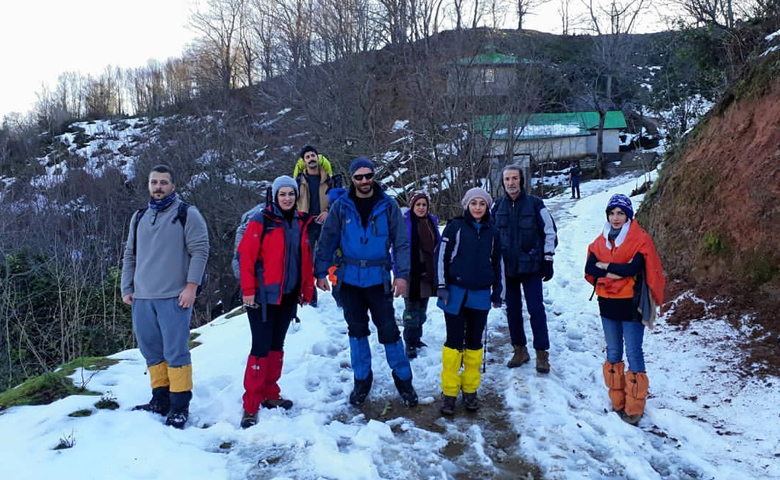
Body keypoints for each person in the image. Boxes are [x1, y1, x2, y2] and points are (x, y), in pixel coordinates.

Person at [314, 157, 418, 407]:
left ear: (374, 175)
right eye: (359, 177)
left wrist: (402, 275)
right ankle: (362, 381)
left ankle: (404, 381)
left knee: (390, 332)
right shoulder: (342, 206)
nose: (364, 181)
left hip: (378, 279)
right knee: (357, 331)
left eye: (368, 175)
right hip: (349, 280)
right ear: (352, 178)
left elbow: (401, 243)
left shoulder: (388, 205)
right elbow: (327, 239)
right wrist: (319, 273)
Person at [122, 164, 209, 429]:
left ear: (173, 186)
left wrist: (191, 287)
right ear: (148, 185)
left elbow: (200, 251)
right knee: (151, 351)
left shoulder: (187, 213)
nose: (158, 187)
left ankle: (180, 405)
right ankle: (160, 399)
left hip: (174, 296)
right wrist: (127, 288)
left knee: (176, 352)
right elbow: (130, 255)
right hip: (143, 298)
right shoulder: (138, 217)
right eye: (154, 182)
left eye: (163, 182)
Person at [236, 176, 315, 428]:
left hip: (288, 295)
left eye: (291, 194)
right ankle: (251, 405)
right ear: (274, 196)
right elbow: (245, 257)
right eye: (282, 194)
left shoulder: (300, 222)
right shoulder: (262, 220)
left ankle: (271, 394)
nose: (287, 199)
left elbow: (305, 259)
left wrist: (306, 289)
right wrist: (248, 290)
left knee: (276, 346)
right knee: (260, 348)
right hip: (262, 297)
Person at [585, 194, 665, 425]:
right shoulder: (600, 241)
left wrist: (606, 267)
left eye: (620, 213)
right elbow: (590, 266)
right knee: (612, 352)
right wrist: (614, 270)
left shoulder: (639, 239)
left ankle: (635, 407)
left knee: (633, 353)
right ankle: (618, 401)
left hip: (631, 304)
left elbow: (633, 268)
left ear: (628, 215)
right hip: (607, 304)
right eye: (612, 213)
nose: (616, 218)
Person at [436, 188, 502, 415]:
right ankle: (450, 391)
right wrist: (442, 286)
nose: (477, 207)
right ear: (466, 205)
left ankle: (471, 388)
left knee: (474, 343)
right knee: (454, 343)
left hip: (480, 294)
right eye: (473, 203)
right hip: (454, 294)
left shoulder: (493, 232)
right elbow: (441, 258)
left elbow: (497, 263)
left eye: (481, 204)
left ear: (487, 207)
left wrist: (497, 291)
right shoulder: (454, 227)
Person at [492, 165, 558, 373]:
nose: (511, 183)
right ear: (502, 182)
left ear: (521, 180)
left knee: (536, 309)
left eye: (514, 178)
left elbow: (550, 232)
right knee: (512, 310)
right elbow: (489, 237)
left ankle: (541, 353)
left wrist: (548, 259)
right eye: (507, 179)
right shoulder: (497, 207)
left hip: (532, 267)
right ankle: (519, 349)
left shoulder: (535, 204)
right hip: (507, 269)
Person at [295, 145, 338, 308]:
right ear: (304, 161)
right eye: (307, 157)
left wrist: (328, 211)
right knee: (307, 259)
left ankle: (338, 291)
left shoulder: (330, 179)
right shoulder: (299, 181)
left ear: (318, 157)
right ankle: (310, 295)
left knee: (334, 256)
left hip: (327, 222)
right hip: (306, 224)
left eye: (313, 155)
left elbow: (338, 200)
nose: (311, 158)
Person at [401, 191, 441, 359]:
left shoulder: (431, 222)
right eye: (418, 204)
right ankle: (409, 341)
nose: (421, 207)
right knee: (411, 309)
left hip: (427, 272)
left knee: (422, 309)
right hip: (411, 273)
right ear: (412, 206)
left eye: (424, 204)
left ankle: (417, 338)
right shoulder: (405, 222)